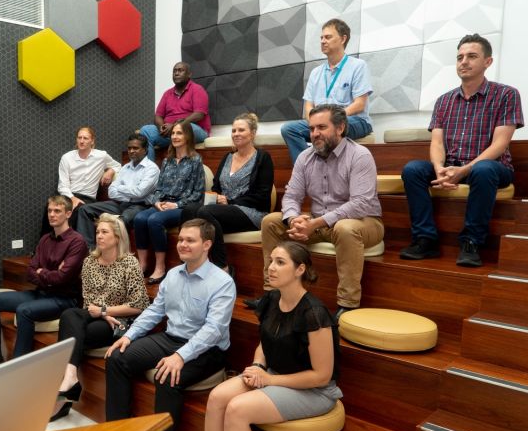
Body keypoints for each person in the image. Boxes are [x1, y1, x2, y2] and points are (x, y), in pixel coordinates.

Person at [178, 242, 341, 431]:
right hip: (275, 374)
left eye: (280, 262)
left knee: (238, 409)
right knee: (218, 397)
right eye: (271, 261)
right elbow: (267, 342)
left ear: (300, 269)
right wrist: (258, 366)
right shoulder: (272, 299)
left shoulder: (314, 313)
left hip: (314, 390)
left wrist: (269, 379)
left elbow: (322, 375)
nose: (270, 268)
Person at [106, 218, 236, 431]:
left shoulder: (222, 282)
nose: (183, 245)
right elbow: (155, 312)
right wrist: (129, 336)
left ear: (207, 245)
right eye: (180, 240)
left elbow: (213, 331)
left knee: (168, 377)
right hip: (171, 338)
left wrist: (181, 356)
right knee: (118, 356)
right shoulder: (174, 275)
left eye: (190, 240)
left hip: (207, 349)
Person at [400, 33, 524, 267]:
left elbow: (500, 144)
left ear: (488, 62)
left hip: (493, 169)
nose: (464, 61)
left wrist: (464, 170)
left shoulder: (507, 94)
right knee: (413, 170)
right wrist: (438, 169)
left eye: (472, 56)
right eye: (460, 57)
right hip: (452, 164)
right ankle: (425, 239)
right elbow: (437, 142)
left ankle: (471, 242)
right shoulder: (444, 101)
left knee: (484, 170)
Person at [249, 104, 383, 321]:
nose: (314, 134)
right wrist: (294, 219)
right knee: (271, 221)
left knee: (345, 228)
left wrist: (317, 222)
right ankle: (273, 294)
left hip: (363, 222)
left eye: (321, 127)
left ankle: (347, 306)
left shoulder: (359, 155)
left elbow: (360, 203)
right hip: (320, 223)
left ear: (340, 128)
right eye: (311, 129)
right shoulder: (305, 157)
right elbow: (292, 196)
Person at [0, 195, 87, 373]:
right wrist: (48, 274)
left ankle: (19, 367)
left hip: (64, 299)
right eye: (50, 211)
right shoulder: (45, 239)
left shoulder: (77, 242)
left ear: (68, 214)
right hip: (40, 293)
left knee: (25, 310)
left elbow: (62, 279)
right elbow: (30, 272)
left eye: (57, 211)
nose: (52, 215)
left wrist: (42, 272)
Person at [51, 213, 150, 421]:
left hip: (120, 322)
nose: (99, 236)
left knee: (74, 334)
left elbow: (139, 305)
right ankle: (70, 377)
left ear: (117, 237)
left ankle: (66, 392)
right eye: (97, 232)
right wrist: (101, 313)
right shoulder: (90, 262)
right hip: (95, 315)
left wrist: (106, 312)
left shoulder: (130, 263)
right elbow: (88, 302)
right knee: (70, 314)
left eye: (104, 232)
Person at [180, 112, 274, 274]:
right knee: (189, 210)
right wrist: (213, 196)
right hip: (222, 210)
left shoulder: (263, 158)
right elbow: (217, 187)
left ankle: (222, 267)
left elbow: (263, 196)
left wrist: (229, 201)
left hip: (252, 212)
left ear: (252, 133)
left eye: (241, 130)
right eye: (234, 130)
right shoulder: (227, 157)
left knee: (204, 212)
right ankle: (195, 262)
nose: (236, 134)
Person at [281, 18, 373, 163]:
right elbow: (308, 105)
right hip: (322, 123)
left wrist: (331, 118)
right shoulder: (316, 72)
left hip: (355, 121)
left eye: (328, 37)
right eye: (321, 37)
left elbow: (360, 104)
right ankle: (308, 167)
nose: (323, 41)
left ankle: (317, 166)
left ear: (343, 39)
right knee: (289, 129)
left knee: (329, 127)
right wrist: (314, 122)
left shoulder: (358, 66)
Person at [134, 121, 205, 284]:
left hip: (182, 207)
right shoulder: (167, 161)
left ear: (187, 136)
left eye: (179, 133)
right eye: (173, 133)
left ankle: (160, 267)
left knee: (154, 220)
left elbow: (198, 193)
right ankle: (142, 264)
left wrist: (176, 205)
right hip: (164, 204)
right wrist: (157, 202)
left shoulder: (195, 160)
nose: (175, 136)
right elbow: (158, 188)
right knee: (139, 218)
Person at [74, 133, 160, 249]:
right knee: (85, 210)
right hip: (120, 204)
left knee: (120, 221)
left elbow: (140, 193)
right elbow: (111, 192)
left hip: (140, 207)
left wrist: (121, 189)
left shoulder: (152, 169)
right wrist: (130, 194)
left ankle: (115, 257)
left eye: (135, 148)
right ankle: (89, 251)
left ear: (145, 150)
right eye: (129, 148)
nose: (131, 151)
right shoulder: (125, 168)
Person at [40, 126, 121, 235]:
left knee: (76, 210)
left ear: (92, 141)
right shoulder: (67, 157)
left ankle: (68, 247)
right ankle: (44, 246)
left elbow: (118, 166)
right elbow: (62, 185)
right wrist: (72, 198)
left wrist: (110, 171)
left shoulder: (101, 156)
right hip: (68, 195)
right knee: (51, 206)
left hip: (88, 198)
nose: (82, 141)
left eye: (85, 138)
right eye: (79, 138)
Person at [139, 62, 211, 162]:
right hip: (169, 131)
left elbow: (199, 114)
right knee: (145, 130)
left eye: (180, 70)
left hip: (194, 129)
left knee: (185, 127)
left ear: (189, 74)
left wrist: (174, 126)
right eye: (175, 71)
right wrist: (162, 127)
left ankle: (183, 164)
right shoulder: (167, 93)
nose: (176, 73)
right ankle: (150, 171)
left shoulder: (197, 89)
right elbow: (158, 115)